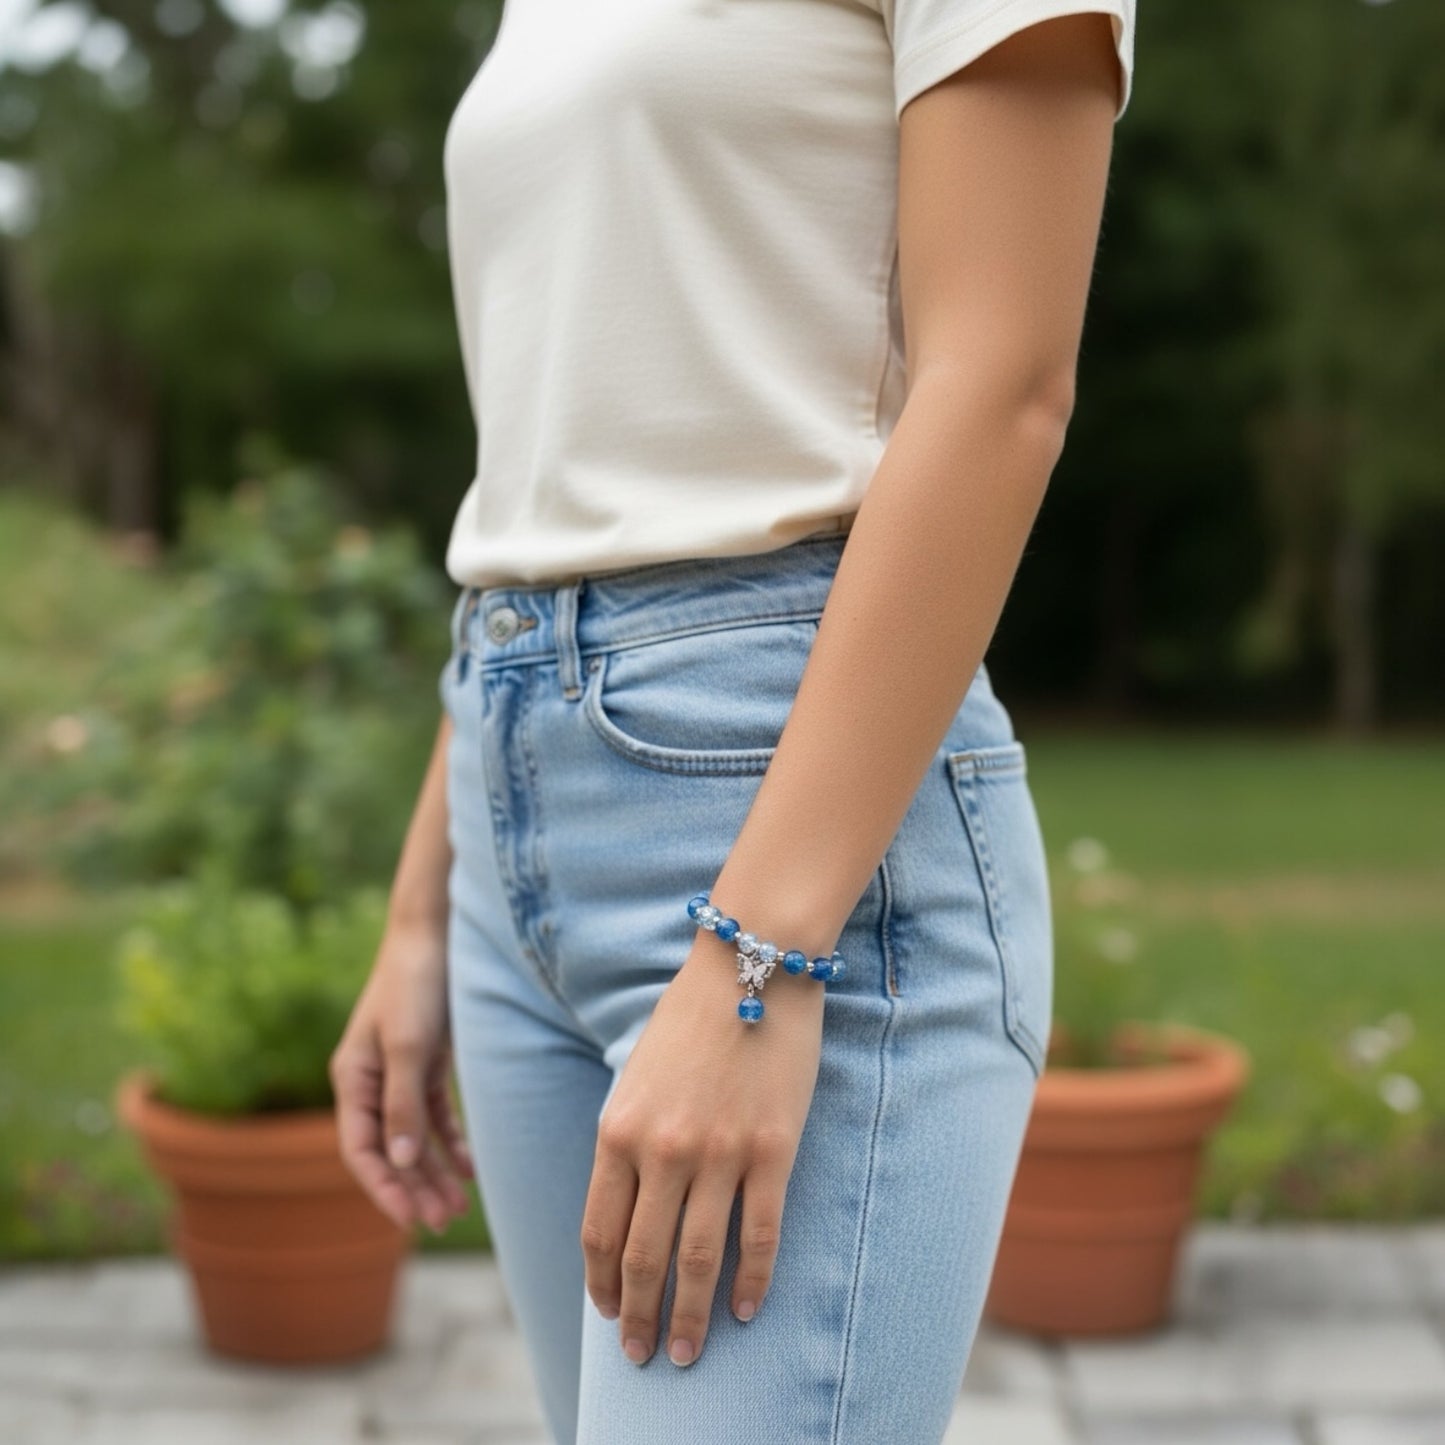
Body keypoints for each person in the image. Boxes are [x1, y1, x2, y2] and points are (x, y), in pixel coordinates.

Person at [331, 1, 1135, 1440]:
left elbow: (1003, 384)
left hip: (788, 830)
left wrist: (760, 953)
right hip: (512, 807)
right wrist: (423, 909)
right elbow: (552, 470)